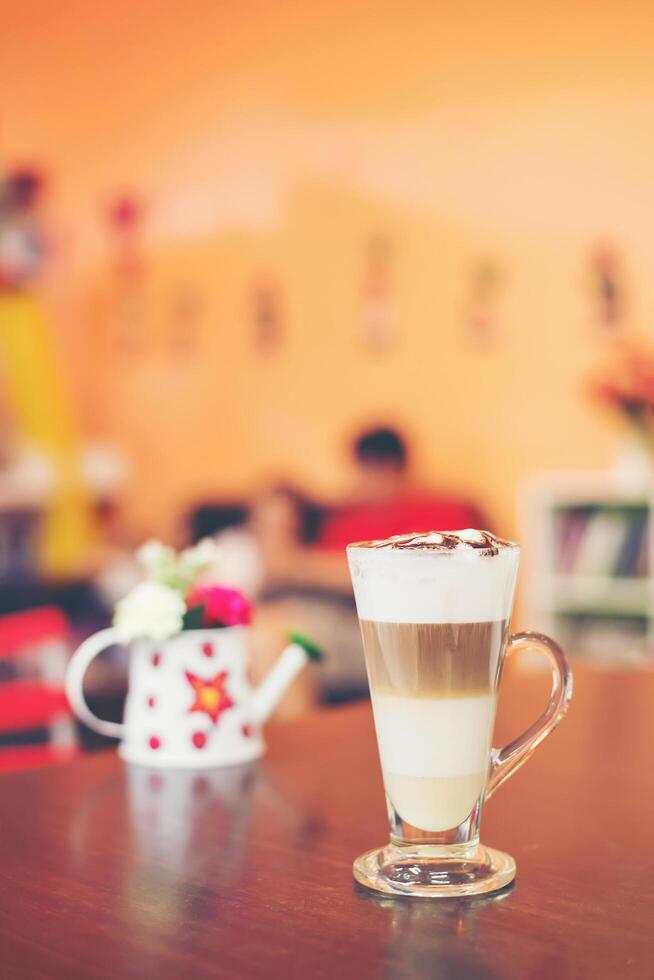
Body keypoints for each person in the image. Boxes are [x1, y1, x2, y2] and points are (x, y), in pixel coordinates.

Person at [250, 426, 487, 717]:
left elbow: (416, 579)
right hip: (338, 616)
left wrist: (296, 565)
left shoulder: (440, 514)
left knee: (275, 637)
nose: (363, 482)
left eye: (372, 472)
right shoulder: (346, 518)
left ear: (395, 469)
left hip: (402, 633)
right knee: (255, 630)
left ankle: (298, 746)